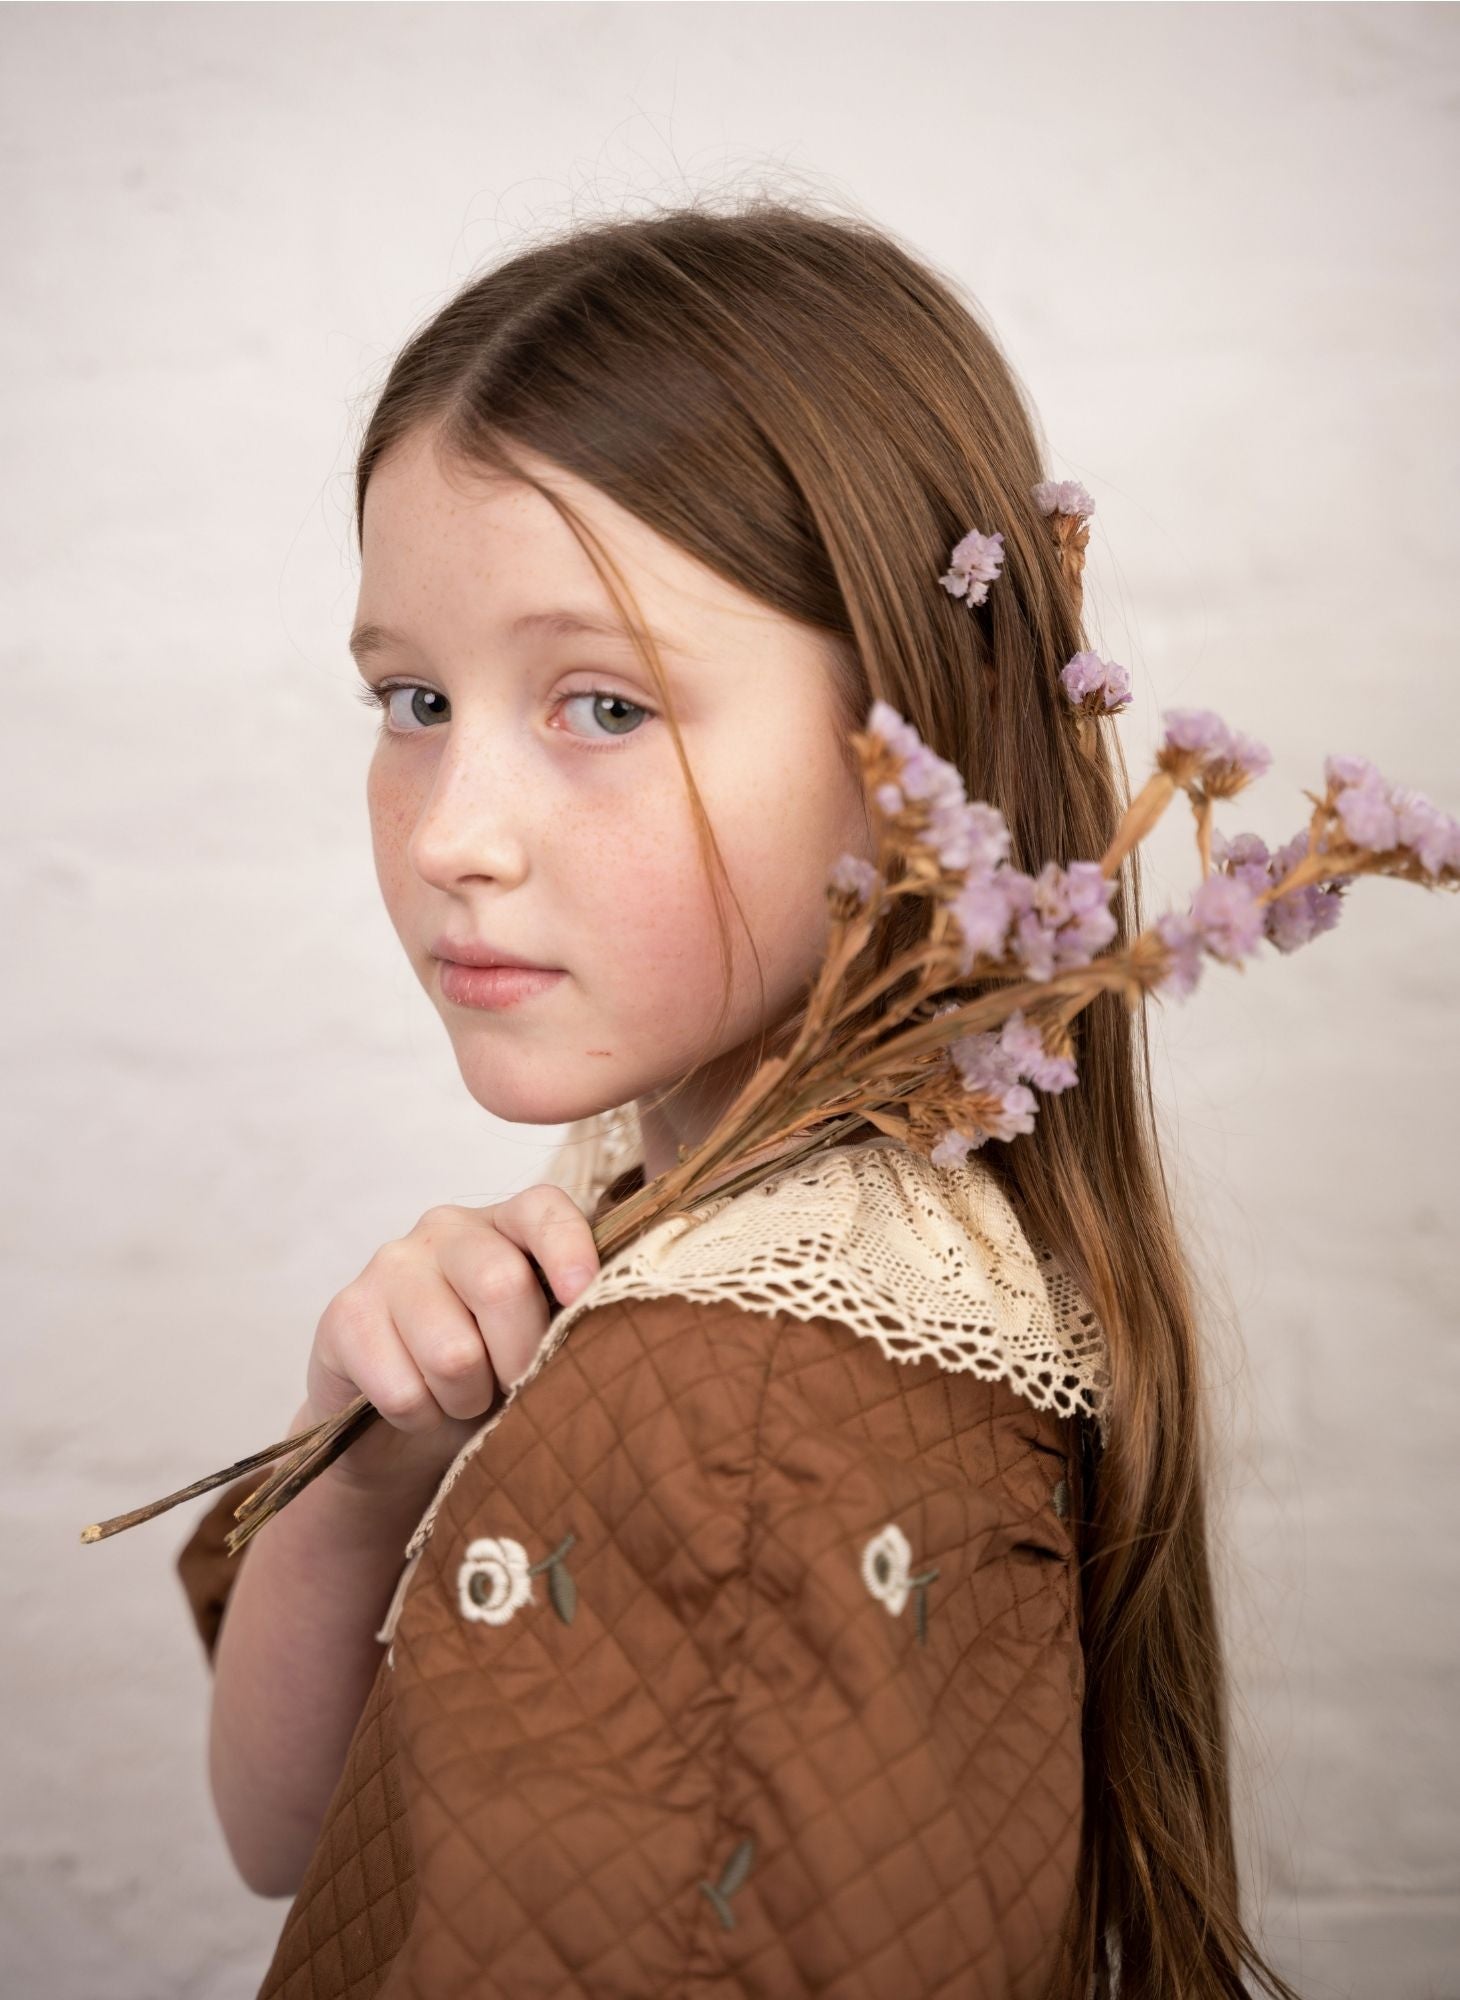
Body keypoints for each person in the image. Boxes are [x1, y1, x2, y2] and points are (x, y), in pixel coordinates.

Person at [174, 199, 1303, 1999]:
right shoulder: (684, 1207)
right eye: (413, 697)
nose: (453, 835)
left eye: (604, 706)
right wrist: (367, 1467)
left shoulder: (744, 1422)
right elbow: (296, 1843)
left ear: (904, 748)